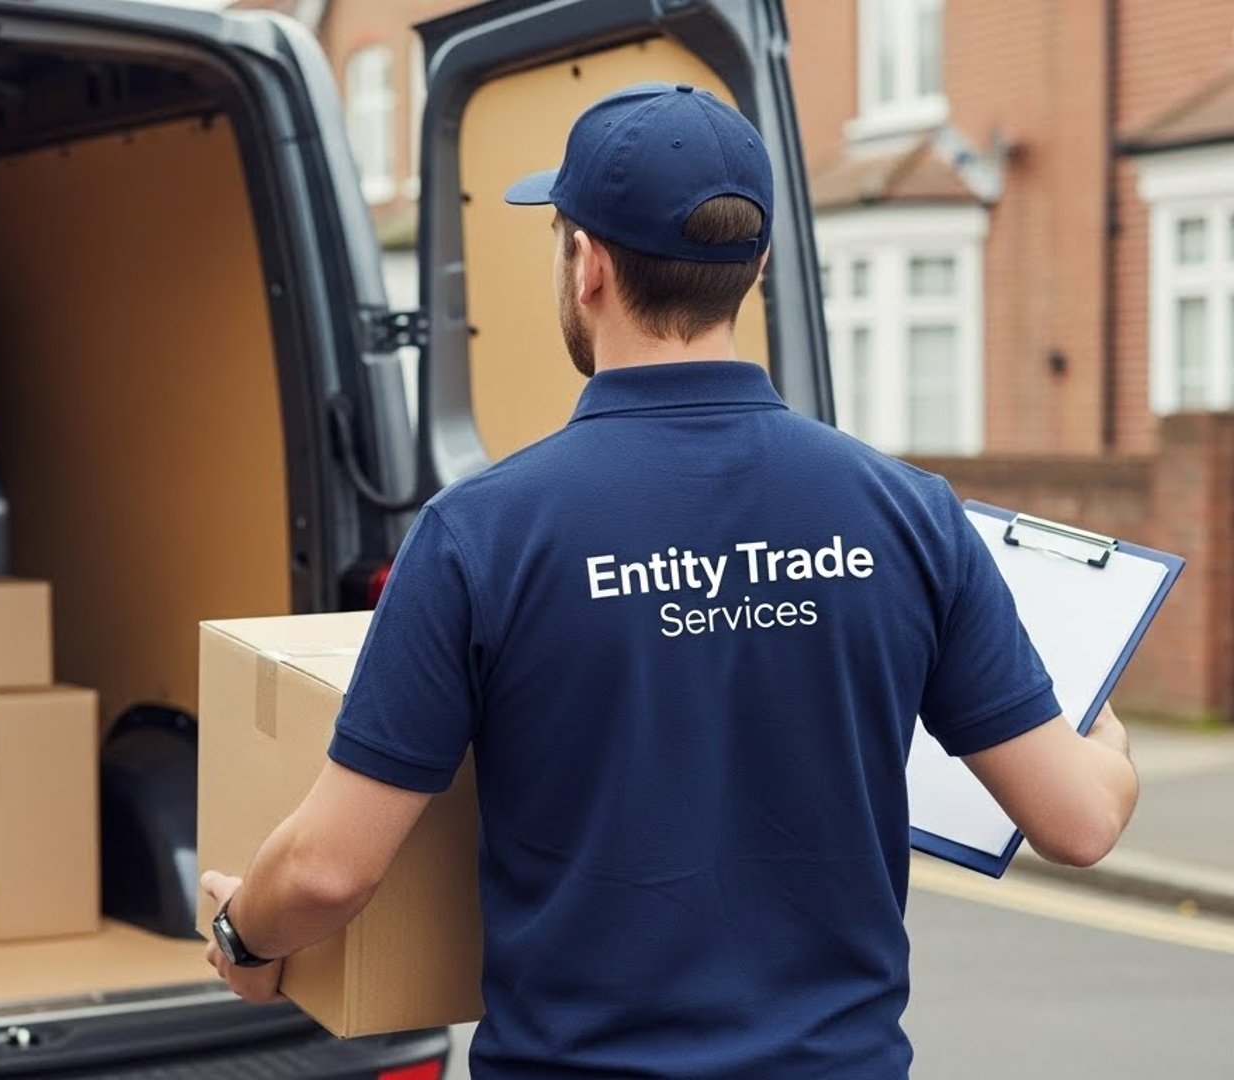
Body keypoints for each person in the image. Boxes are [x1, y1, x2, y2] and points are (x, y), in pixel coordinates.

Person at [199, 82, 1140, 1078]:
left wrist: (244, 937)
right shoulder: (908, 515)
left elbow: (328, 869)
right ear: (757, 265)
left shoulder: (481, 535)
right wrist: (1104, 735)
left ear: (587, 263)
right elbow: (1079, 821)